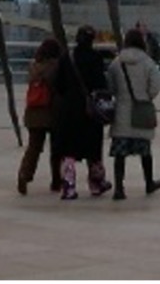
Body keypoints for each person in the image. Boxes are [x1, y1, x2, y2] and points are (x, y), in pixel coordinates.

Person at [52, 24, 112, 200]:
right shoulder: (96, 58)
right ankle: (96, 183)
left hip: (69, 110)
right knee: (93, 149)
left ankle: (69, 186)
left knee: (69, 150)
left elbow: (58, 84)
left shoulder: (66, 58)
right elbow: (101, 84)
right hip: (90, 111)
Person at [106, 28, 160, 200]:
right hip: (141, 111)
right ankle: (149, 183)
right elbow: (156, 85)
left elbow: (110, 85)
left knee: (120, 153)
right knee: (145, 150)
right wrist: (146, 97)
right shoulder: (148, 62)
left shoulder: (117, 62)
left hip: (122, 112)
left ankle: (119, 188)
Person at [15, 38, 62, 195]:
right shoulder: (55, 67)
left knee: (34, 148)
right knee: (56, 149)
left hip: (33, 112)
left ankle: (24, 174)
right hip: (51, 111)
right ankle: (56, 180)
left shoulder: (33, 66)